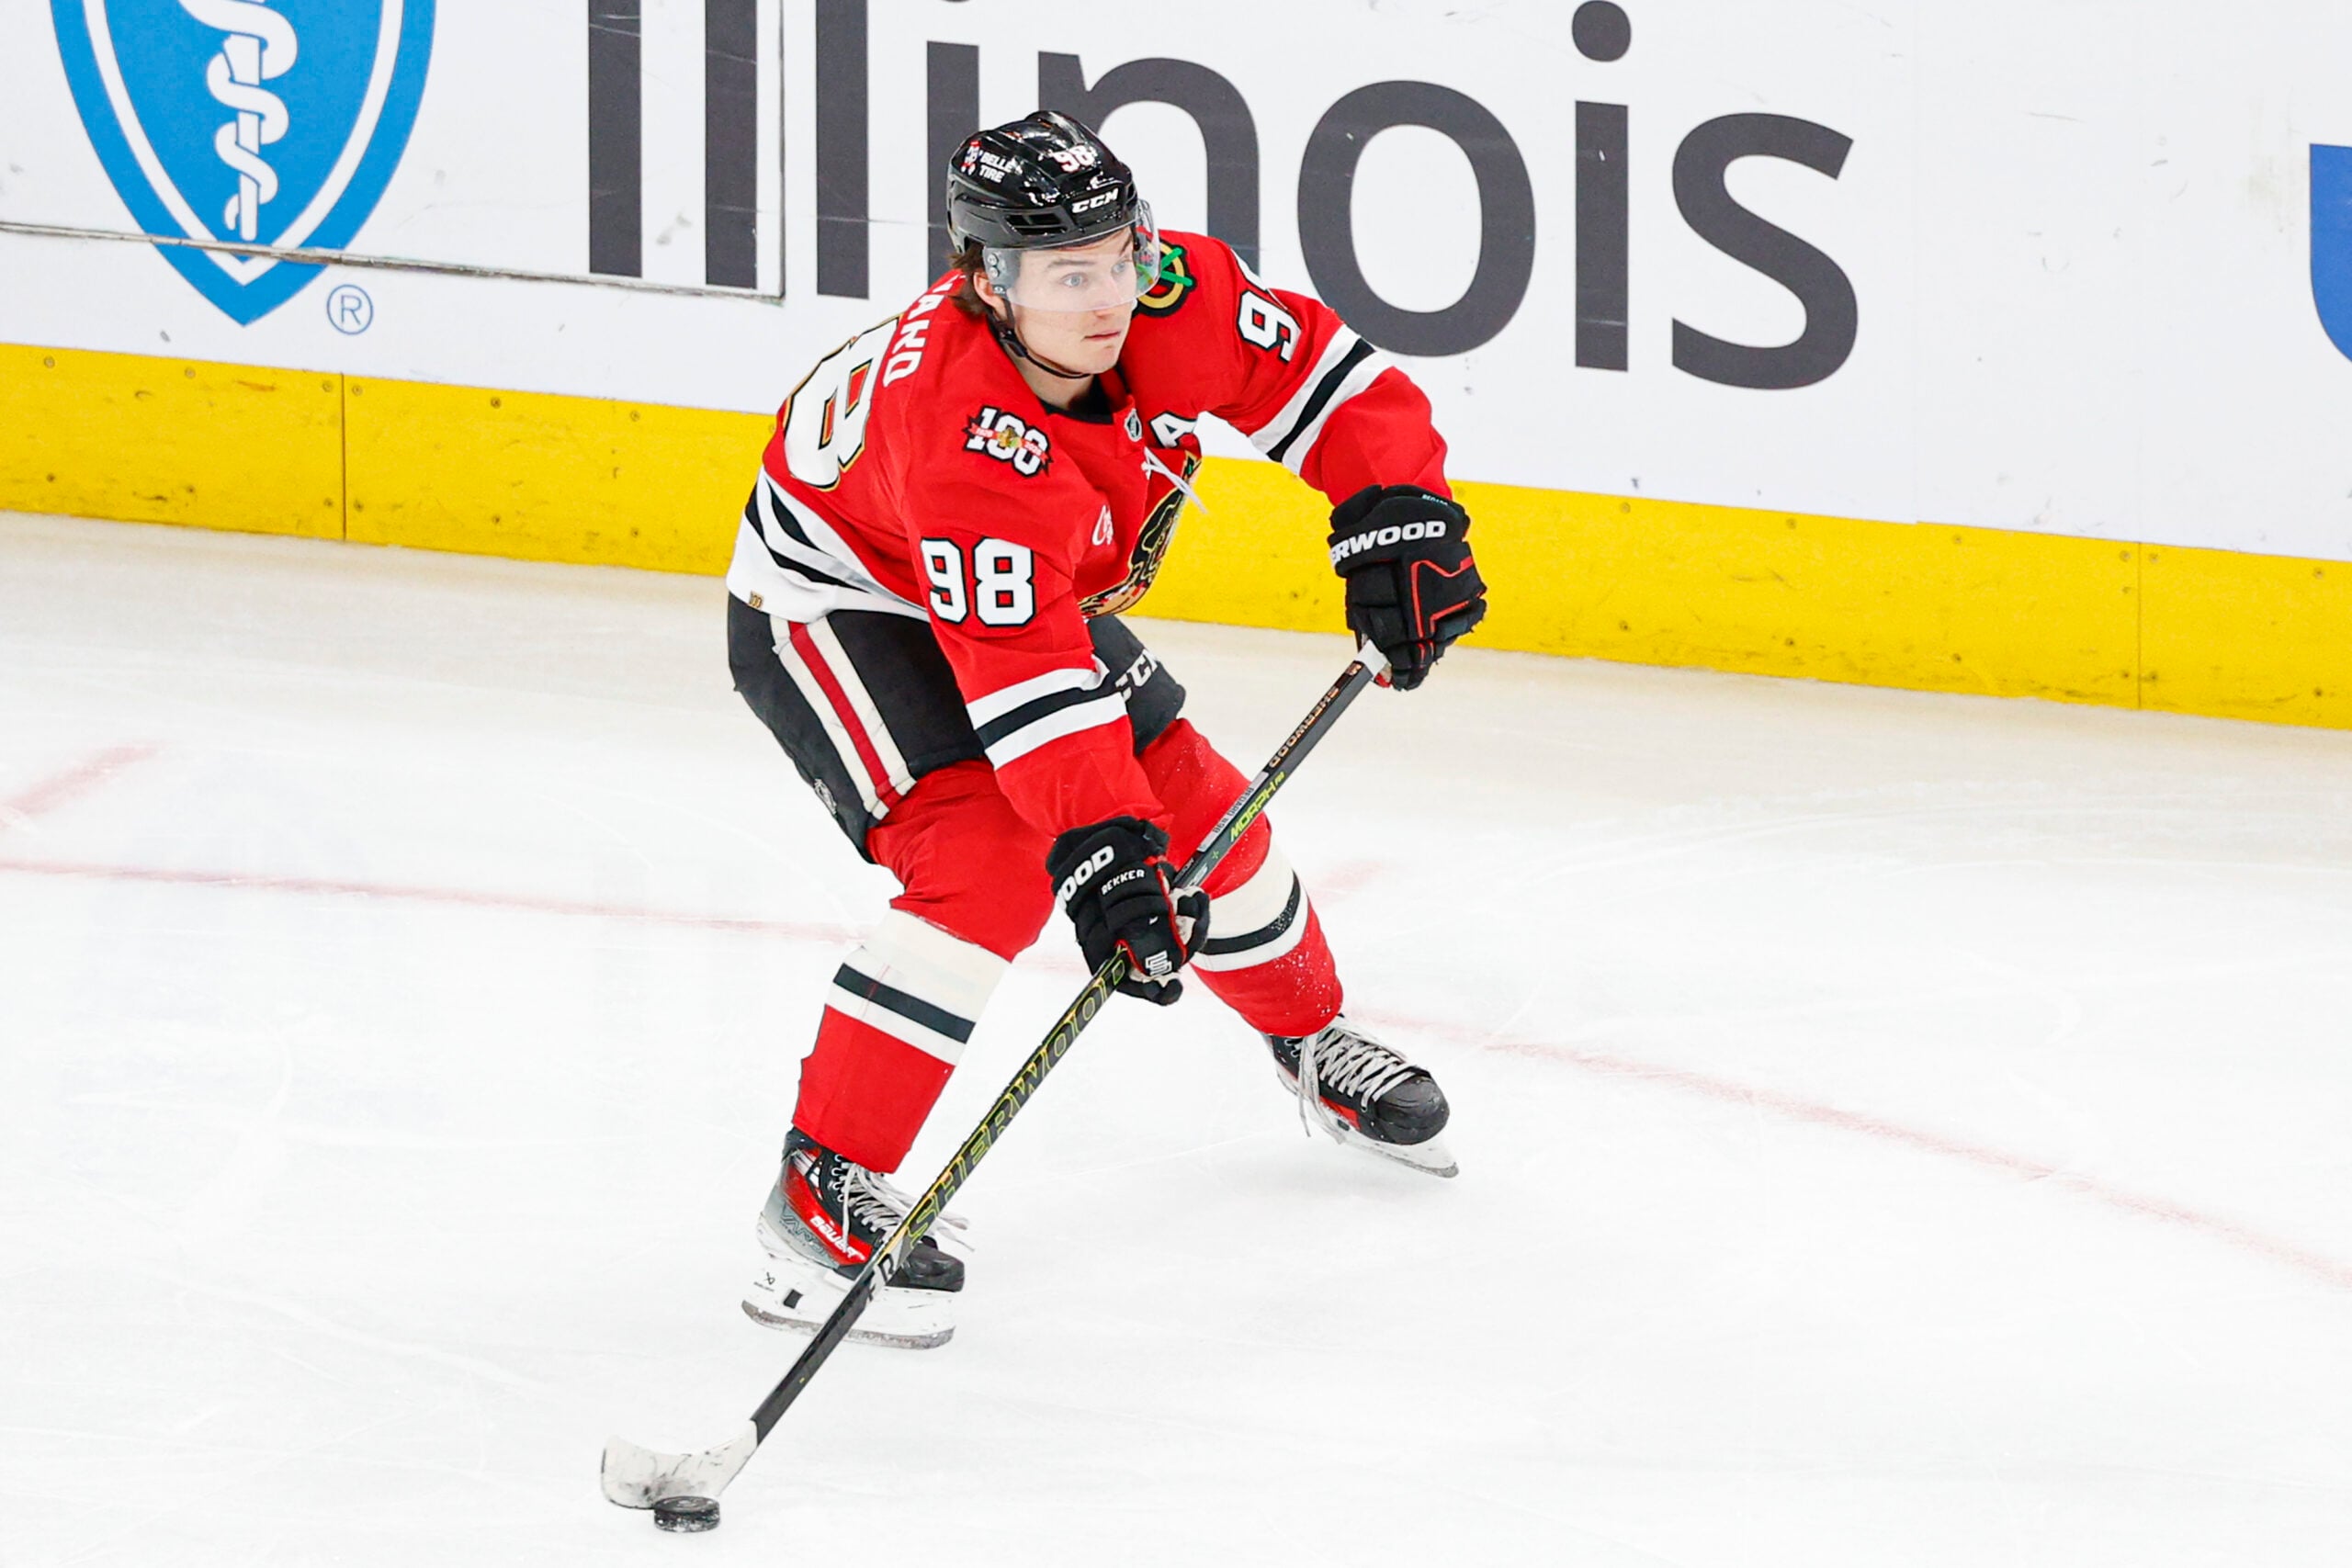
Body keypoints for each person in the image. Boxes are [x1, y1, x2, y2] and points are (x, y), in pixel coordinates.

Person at [724, 110, 1487, 1348]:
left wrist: (1398, 511)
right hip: (843, 604)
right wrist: (1100, 856)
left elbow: (1331, 381)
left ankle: (1308, 1035)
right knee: (987, 857)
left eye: (1117, 256)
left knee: (1201, 805)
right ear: (986, 281)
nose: (1108, 298)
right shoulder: (960, 434)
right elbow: (1030, 687)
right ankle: (817, 1195)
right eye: (1067, 275)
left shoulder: (1167, 291)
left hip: (1005, 588)